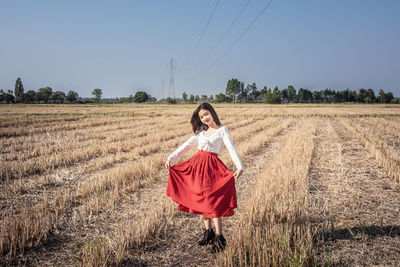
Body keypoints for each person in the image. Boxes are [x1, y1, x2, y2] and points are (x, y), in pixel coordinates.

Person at [165, 102, 244, 253]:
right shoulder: (201, 133)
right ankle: (208, 233)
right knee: (202, 201)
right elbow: (186, 146)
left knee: (212, 203)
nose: (204, 118)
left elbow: (231, 148)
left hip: (212, 170)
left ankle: (219, 238)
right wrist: (171, 158)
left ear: (212, 112)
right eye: (201, 117)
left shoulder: (222, 130)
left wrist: (240, 166)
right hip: (196, 168)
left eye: (206, 114)